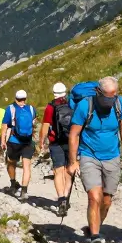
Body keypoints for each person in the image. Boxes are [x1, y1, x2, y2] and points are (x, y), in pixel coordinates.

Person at [67, 77, 122, 243]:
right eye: (107, 96)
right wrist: (73, 161)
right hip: (89, 155)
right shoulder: (84, 106)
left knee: (106, 201)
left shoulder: (120, 105)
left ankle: (94, 226)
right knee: (94, 197)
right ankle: (96, 241)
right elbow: (74, 134)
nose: (110, 100)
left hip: (112, 156)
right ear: (98, 92)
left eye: (114, 96)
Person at [39, 82, 74, 217]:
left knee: (58, 171)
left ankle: (61, 200)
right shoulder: (72, 103)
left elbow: (45, 126)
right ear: (65, 92)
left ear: (54, 93)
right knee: (68, 171)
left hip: (55, 143)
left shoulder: (50, 107)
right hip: (71, 141)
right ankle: (66, 195)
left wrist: (41, 141)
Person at [2, 90, 36, 201]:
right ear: (25, 98)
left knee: (11, 163)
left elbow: (4, 126)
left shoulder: (10, 108)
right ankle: (24, 191)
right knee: (27, 167)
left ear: (15, 98)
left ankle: (13, 184)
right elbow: (33, 123)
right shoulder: (31, 109)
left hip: (14, 141)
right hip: (28, 141)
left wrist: (3, 140)